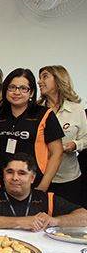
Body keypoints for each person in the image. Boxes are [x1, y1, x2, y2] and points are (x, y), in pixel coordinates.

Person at [0, 68, 64, 192]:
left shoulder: (44, 115)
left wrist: (43, 185)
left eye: (23, 88)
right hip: (0, 182)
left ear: (31, 93)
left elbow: (57, 152)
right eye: (12, 87)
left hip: (34, 183)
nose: (17, 92)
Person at [0, 153, 87, 231]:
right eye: (10, 172)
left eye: (22, 173)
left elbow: (84, 217)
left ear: (32, 178)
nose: (15, 178)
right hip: (0, 250)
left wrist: (55, 221)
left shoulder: (47, 199)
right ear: (4, 176)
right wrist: (20, 222)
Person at [37, 65, 87, 205]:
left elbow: (86, 138)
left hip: (69, 178)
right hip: (41, 177)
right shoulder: (36, 110)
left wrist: (75, 145)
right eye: (39, 78)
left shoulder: (77, 109)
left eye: (45, 77)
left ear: (58, 79)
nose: (39, 82)